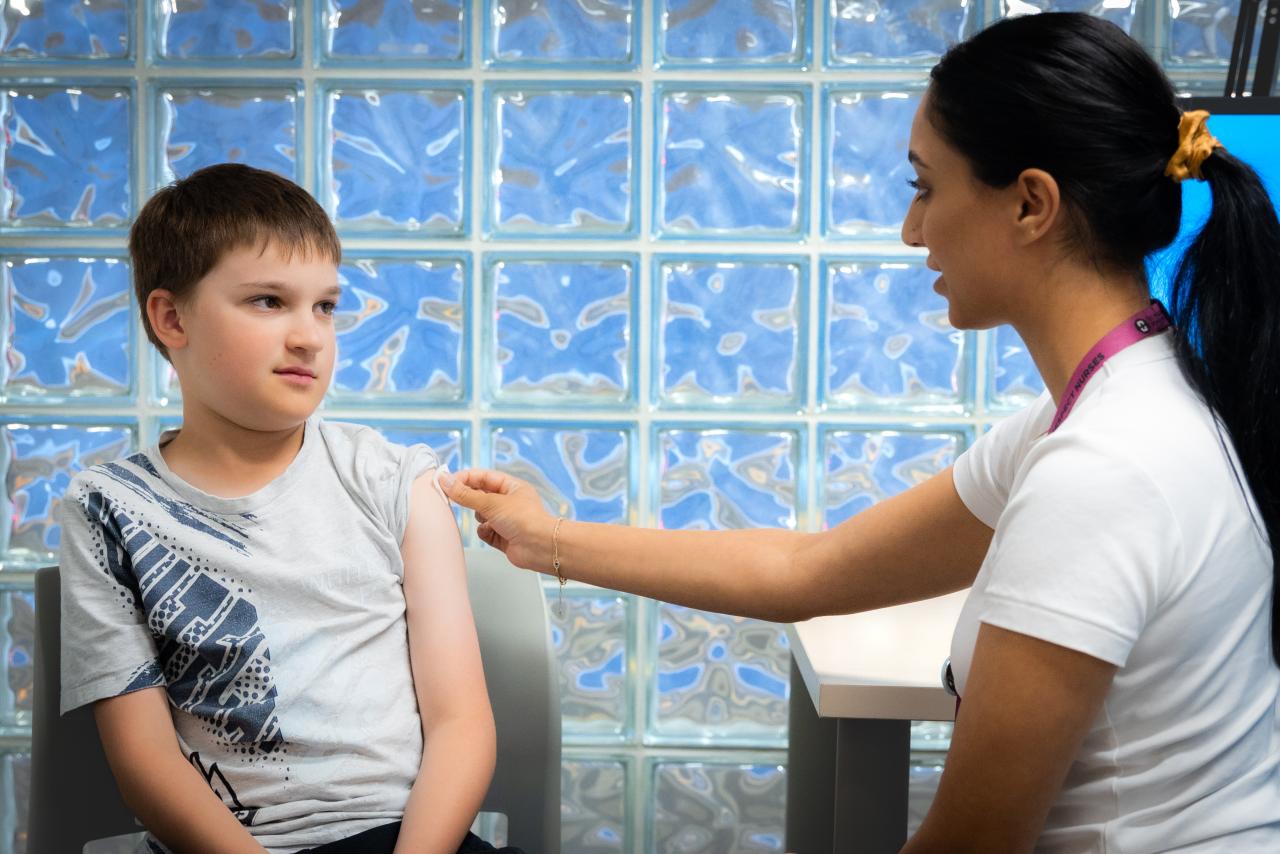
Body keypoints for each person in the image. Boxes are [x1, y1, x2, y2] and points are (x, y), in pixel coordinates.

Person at [441, 12, 1280, 852]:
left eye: (925, 187)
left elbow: (972, 843)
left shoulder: (1101, 471)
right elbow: (806, 572)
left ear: (1031, 204)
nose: (912, 230)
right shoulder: (1117, 407)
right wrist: (547, 538)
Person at [57, 163, 518, 854]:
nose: (309, 336)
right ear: (171, 317)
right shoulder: (106, 511)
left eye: (324, 305)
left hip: (404, 838)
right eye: (269, 301)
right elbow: (146, 765)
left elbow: (462, 723)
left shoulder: (396, 481)